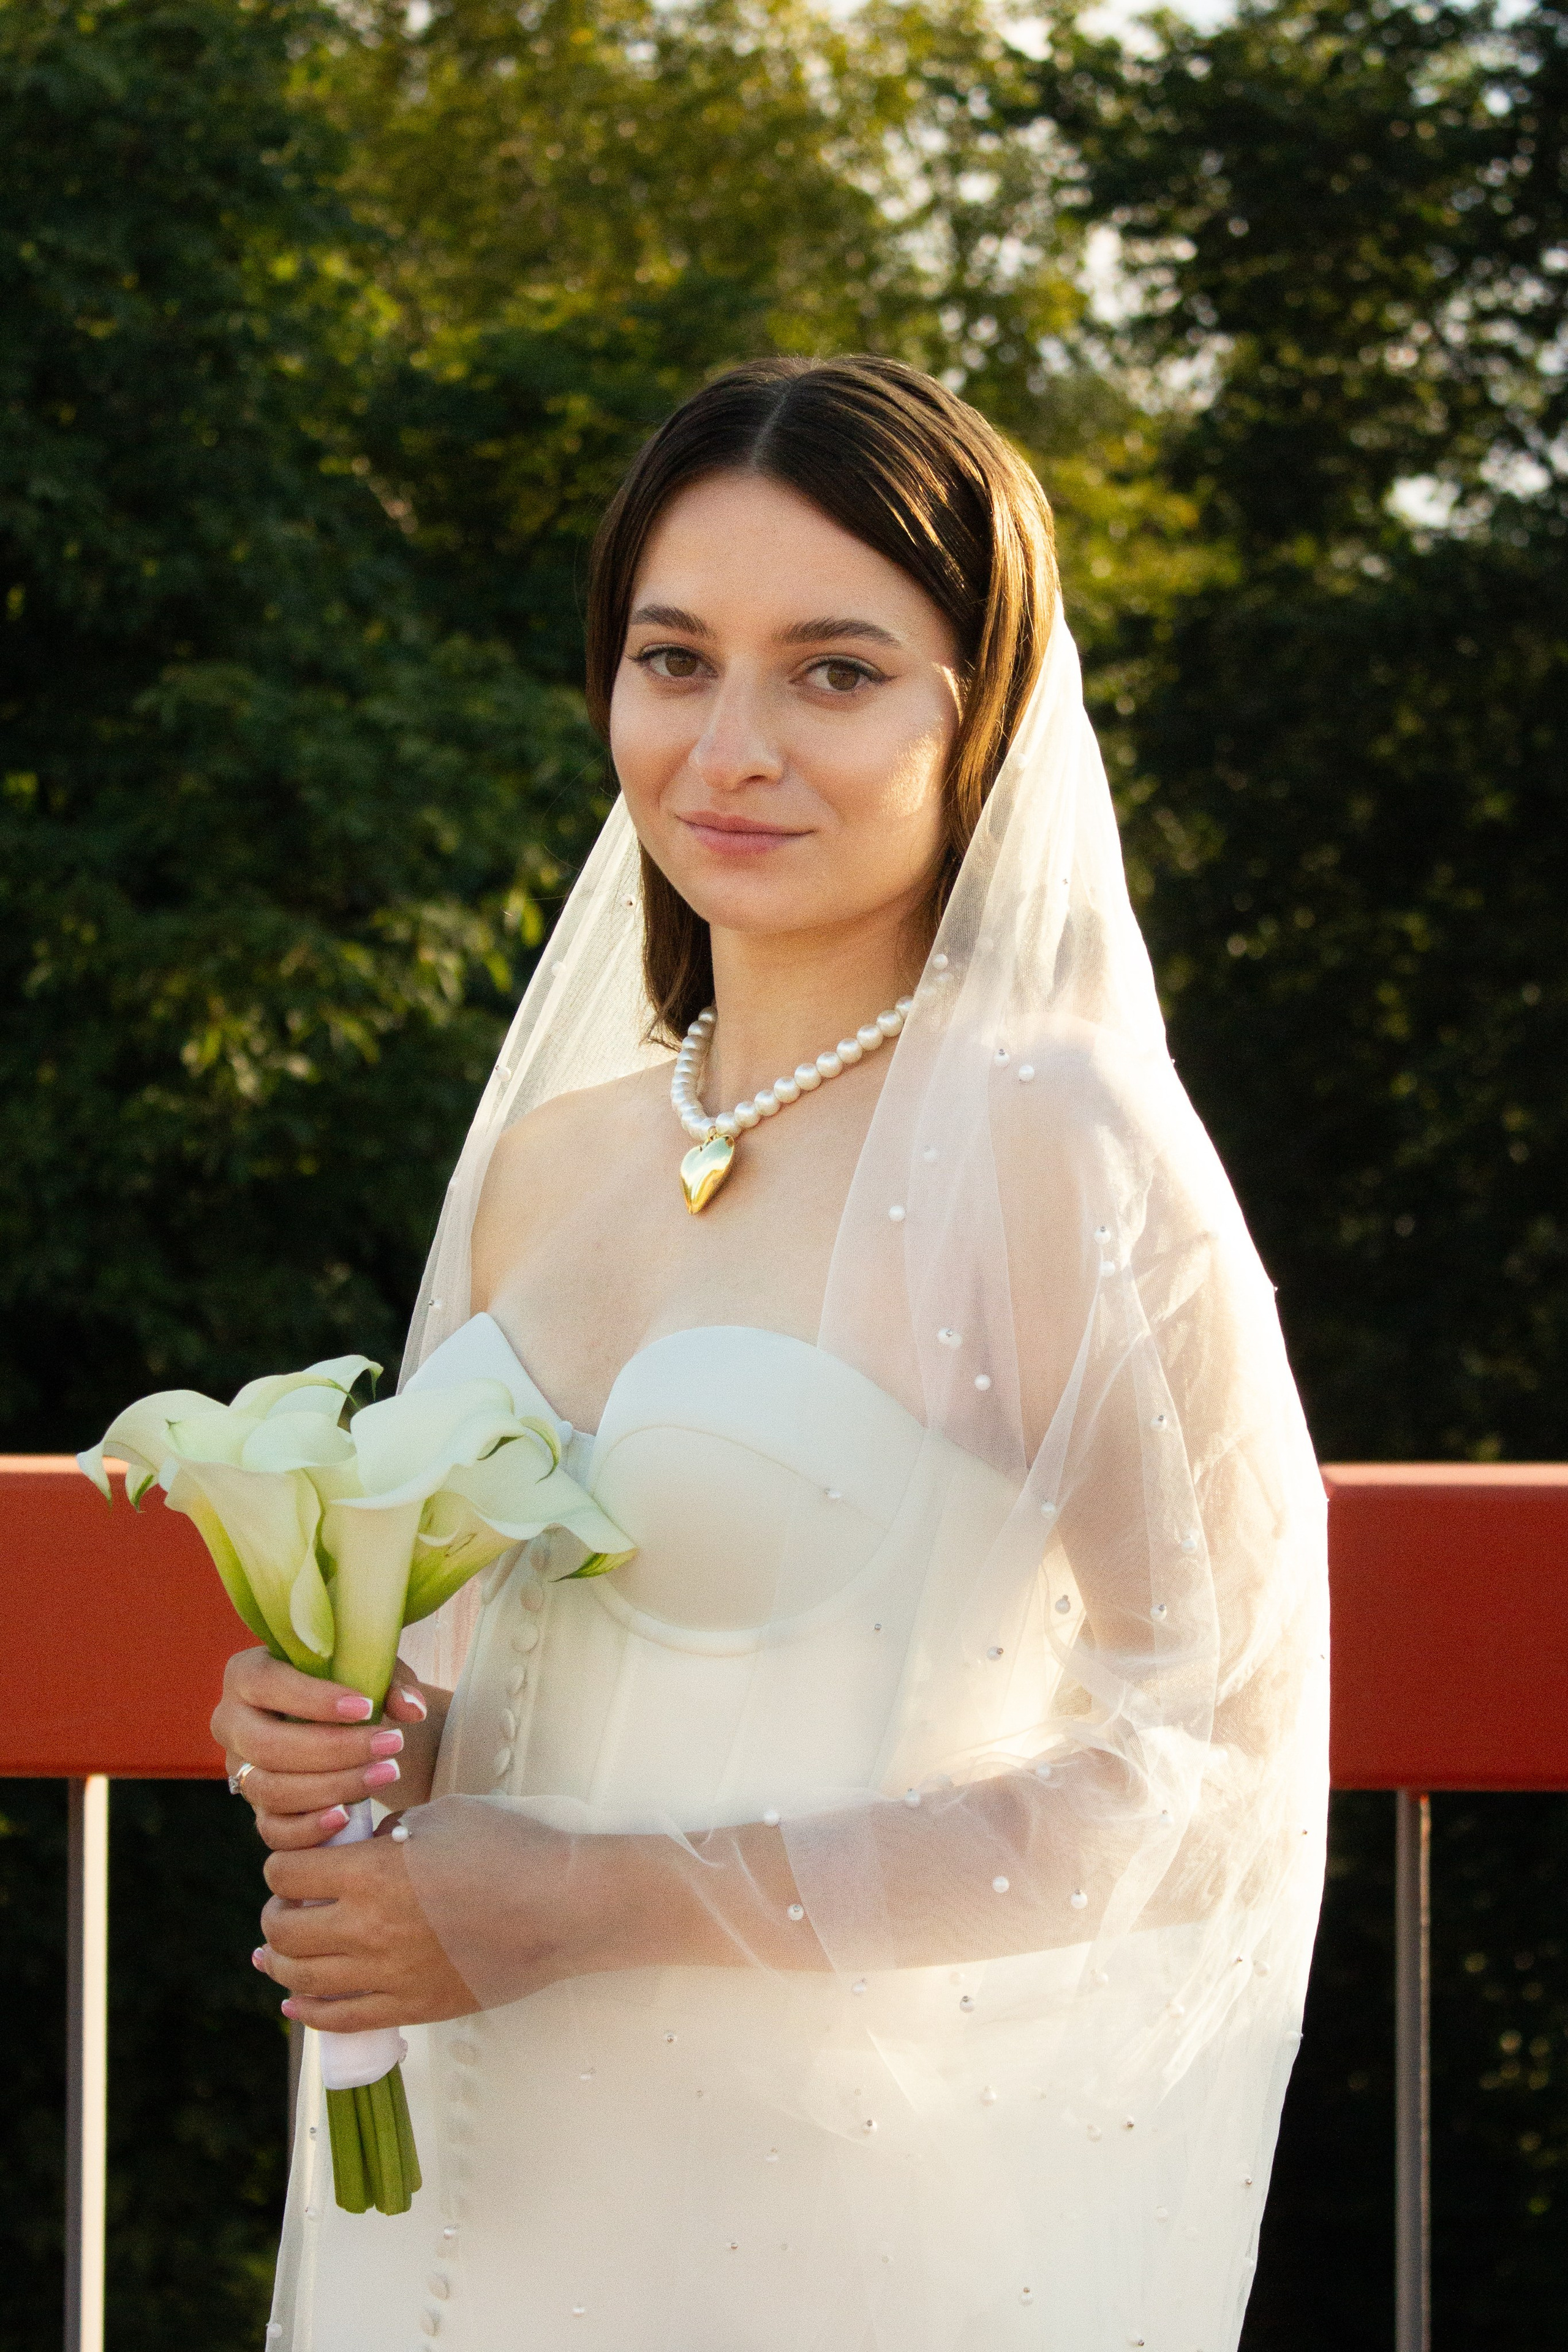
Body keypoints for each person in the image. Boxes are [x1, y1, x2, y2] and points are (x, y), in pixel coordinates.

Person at [213, 356, 1329, 2352]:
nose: (730, 746)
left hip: (813, 2219)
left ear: (976, 713)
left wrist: (584, 1905)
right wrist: (354, 1731)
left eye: (833, 671)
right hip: (462, 2189)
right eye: (673, 659)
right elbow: (499, 1704)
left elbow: (1214, 1773)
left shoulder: (1059, 1144)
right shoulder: (555, 1161)